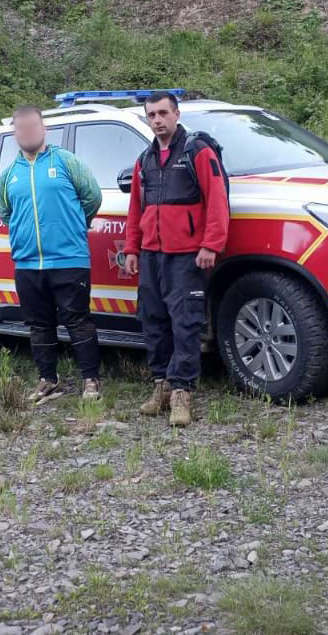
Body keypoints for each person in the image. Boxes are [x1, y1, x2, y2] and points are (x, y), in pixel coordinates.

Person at [123, 91, 230, 427]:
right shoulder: (145, 159)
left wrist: (211, 244)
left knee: (185, 324)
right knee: (153, 321)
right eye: (151, 115)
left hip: (187, 256)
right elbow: (135, 209)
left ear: (177, 114)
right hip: (152, 255)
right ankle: (162, 387)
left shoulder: (197, 152)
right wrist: (131, 249)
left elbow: (217, 200)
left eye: (163, 113)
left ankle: (182, 394)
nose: (157, 120)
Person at [0, 105, 103, 404]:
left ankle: (91, 381)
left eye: (33, 126)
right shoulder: (9, 176)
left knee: (78, 322)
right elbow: (7, 214)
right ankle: (47, 380)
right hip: (28, 263)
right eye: (21, 128)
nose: (27, 132)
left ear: (43, 129)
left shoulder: (66, 162)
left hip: (70, 259)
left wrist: (72, 226)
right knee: (39, 325)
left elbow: (92, 196)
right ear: (14, 133)